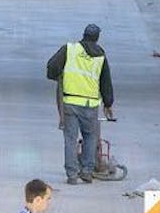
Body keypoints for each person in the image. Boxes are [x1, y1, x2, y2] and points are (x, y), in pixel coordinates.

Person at [45, 23, 115, 184]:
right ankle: (87, 171)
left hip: (70, 102)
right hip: (90, 105)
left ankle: (72, 175)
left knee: (70, 139)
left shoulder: (69, 49)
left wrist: (57, 76)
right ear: (97, 38)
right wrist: (108, 103)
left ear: (83, 35)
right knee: (90, 137)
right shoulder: (101, 56)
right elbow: (106, 81)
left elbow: (52, 66)